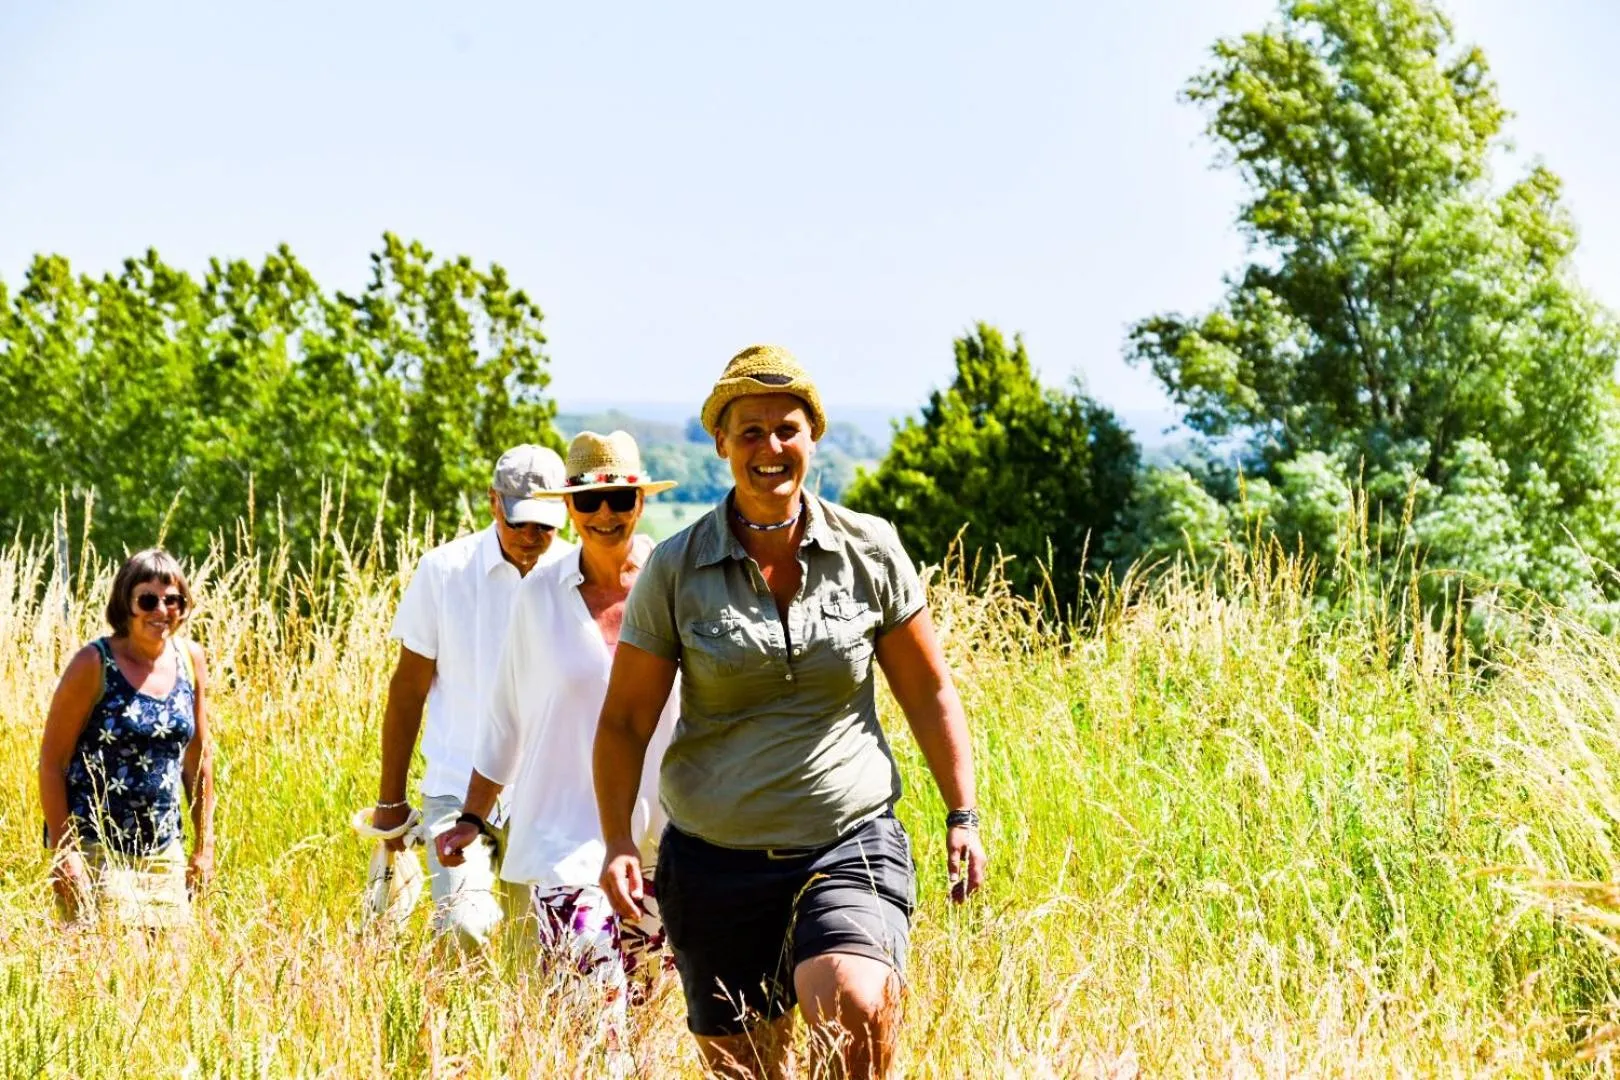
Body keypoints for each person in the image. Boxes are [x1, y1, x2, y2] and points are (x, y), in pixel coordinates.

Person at [594, 345, 989, 1079]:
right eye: (749, 431)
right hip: (713, 862)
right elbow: (623, 721)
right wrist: (617, 840)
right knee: (744, 1068)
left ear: (813, 438)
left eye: (787, 430)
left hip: (848, 840)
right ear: (720, 444)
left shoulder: (871, 550)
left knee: (855, 1007)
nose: (769, 448)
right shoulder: (676, 569)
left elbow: (928, 690)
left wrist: (961, 814)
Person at [438, 430, 679, 1012]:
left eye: (619, 499)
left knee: (645, 1024)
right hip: (563, 846)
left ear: (640, 504)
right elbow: (505, 715)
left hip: (663, 846)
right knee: (597, 1019)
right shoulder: (540, 596)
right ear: (568, 508)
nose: (604, 514)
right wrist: (473, 814)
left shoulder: (674, 590)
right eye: (588, 501)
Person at [372, 443, 573, 950]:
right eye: (519, 522)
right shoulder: (443, 572)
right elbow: (408, 691)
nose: (531, 538)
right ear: (493, 503)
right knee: (465, 926)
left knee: (541, 954)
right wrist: (390, 801)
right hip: (455, 787)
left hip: (547, 797)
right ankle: (443, 1022)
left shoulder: (580, 574)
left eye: (545, 525)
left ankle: (512, 1032)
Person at [39, 548, 215, 929]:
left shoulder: (190, 659)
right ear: (126, 604)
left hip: (164, 851)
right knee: (115, 974)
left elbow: (198, 760)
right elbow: (52, 762)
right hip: (98, 852)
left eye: (173, 600)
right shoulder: (93, 663)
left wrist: (204, 847)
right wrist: (64, 853)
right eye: (148, 600)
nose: (161, 610)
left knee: (173, 977)